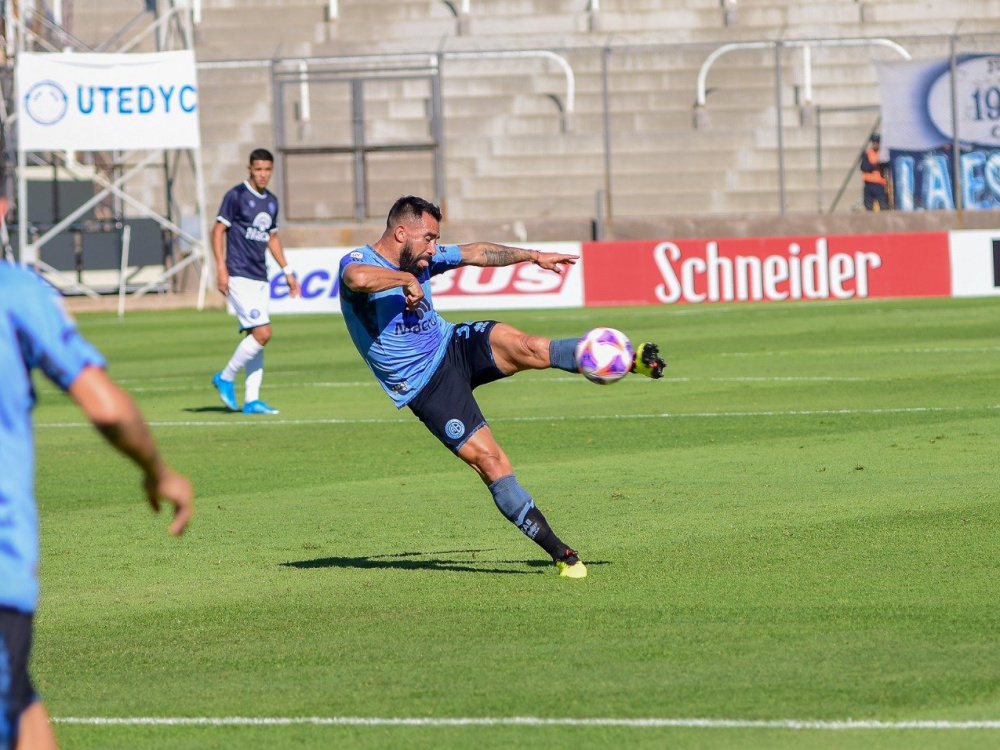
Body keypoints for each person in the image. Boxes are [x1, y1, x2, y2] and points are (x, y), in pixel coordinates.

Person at [338, 196, 665, 579]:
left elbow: (477, 252)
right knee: (491, 462)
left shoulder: (423, 257)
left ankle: (627, 360)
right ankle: (561, 553)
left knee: (528, 346)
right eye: (428, 238)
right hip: (425, 386)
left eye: (435, 240)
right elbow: (355, 280)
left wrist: (533, 255)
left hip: (452, 344)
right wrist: (406, 279)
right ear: (400, 232)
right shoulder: (360, 262)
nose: (433, 248)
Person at [0, 262, 194, 750]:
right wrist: (159, 472)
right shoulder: (17, 290)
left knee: (21, 700)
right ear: (4, 207)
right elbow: (105, 406)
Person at [211, 148, 300, 415]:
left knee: (256, 338)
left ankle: (251, 400)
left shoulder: (271, 201)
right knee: (263, 333)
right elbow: (218, 230)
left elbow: (272, 237)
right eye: (258, 169)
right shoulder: (236, 196)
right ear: (249, 169)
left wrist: (287, 270)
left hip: (260, 275)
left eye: (267, 170)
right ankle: (225, 377)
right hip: (238, 273)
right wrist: (220, 267)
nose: (263, 174)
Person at [861, 133, 888, 211]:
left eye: (876, 142)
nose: (875, 144)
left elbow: (885, 166)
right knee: (868, 206)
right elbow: (864, 167)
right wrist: (875, 165)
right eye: (873, 142)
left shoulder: (882, 154)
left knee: (883, 205)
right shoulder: (867, 153)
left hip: (879, 184)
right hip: (869, 184)